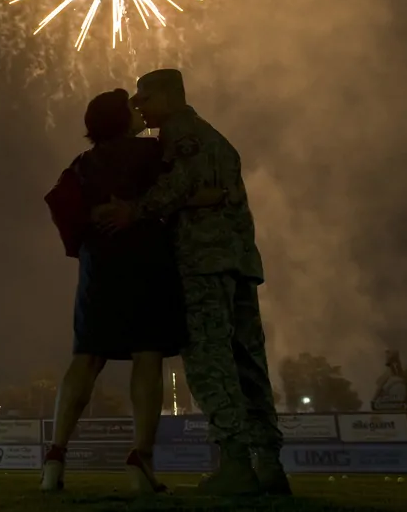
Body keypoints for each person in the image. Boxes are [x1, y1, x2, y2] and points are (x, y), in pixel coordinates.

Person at [98, 69, 290, 497]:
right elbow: (204, 190)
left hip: (205, 263)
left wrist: (136, 209)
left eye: (144, 97)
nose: (138, 106)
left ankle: (236, 463)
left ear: (168, 96)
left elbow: (181, 183)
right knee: (249, 365)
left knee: (209, 361)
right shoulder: (216, 137)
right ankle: (270, 465)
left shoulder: (181, 135)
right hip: (238, 262)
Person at [42, 88, 217, 494]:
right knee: (148, 355)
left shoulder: (81, 164)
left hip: (98, 265)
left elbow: (57, 202)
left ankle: (55, 455)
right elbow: (183, 189)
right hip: (144, 259)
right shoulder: (151, 153)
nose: (138, 110)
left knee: (86, 357)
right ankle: (141, 456)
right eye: (130, 108)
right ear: (121, 120)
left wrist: (90, 217)